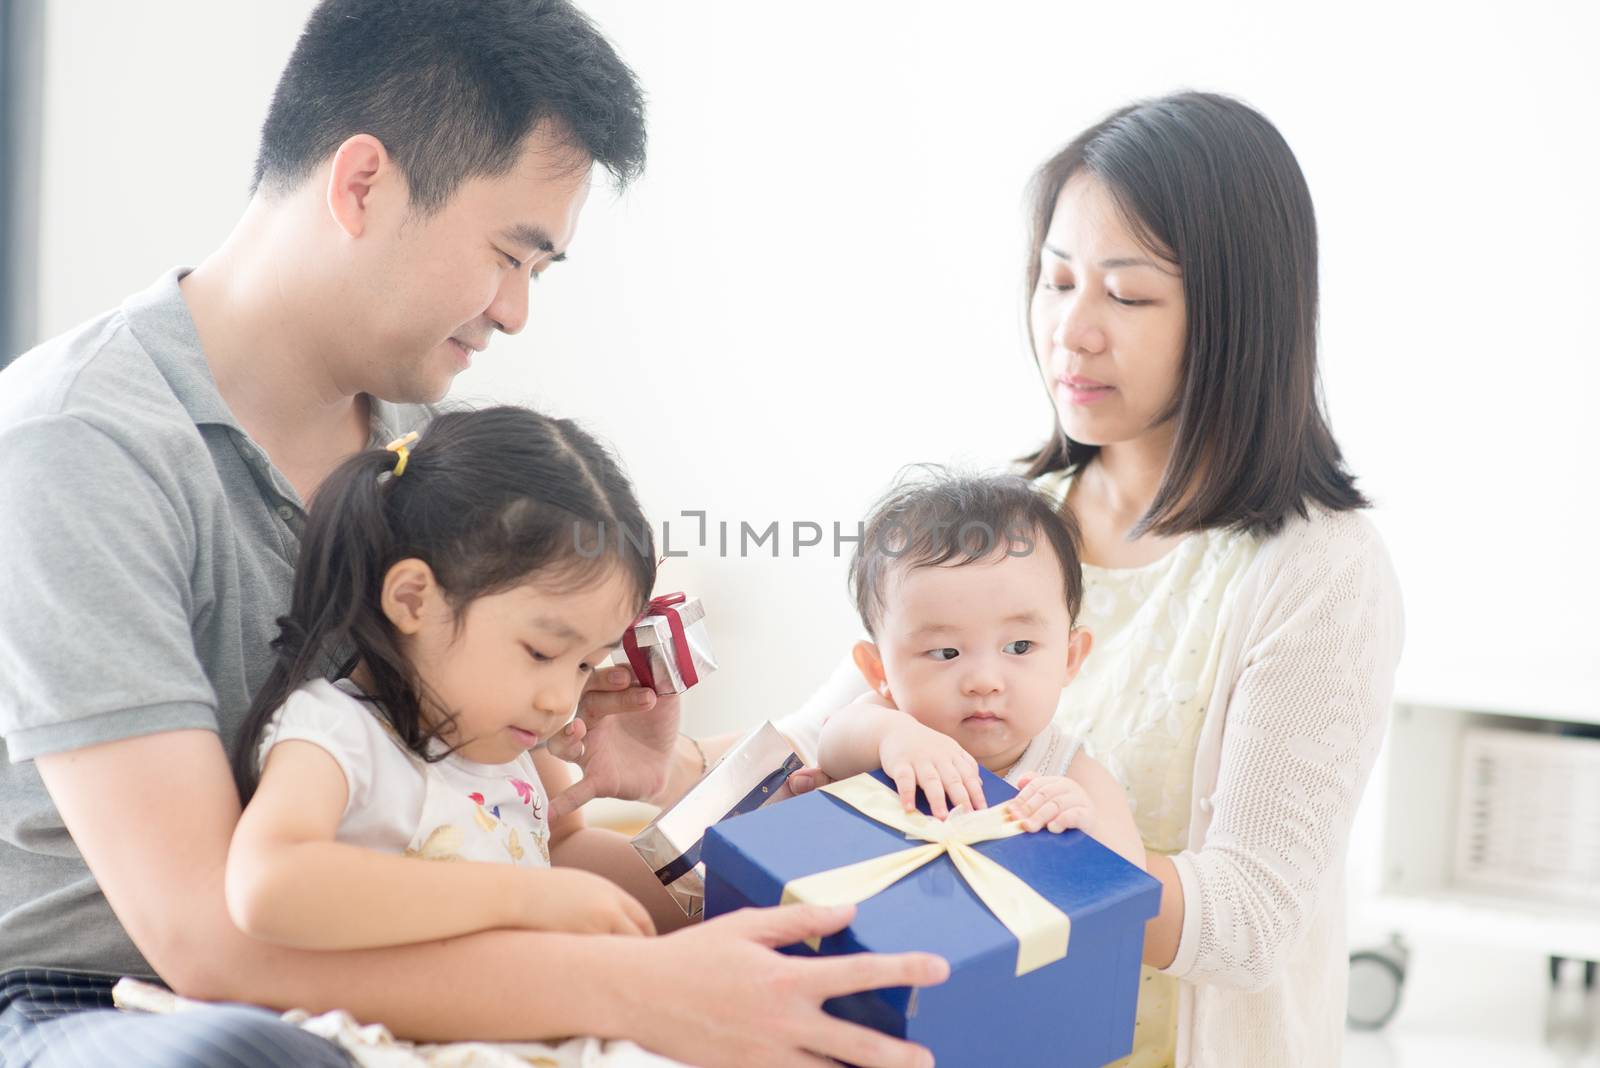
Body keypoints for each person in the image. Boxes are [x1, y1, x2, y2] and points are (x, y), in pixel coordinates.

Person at [0, 2, 945, 1066]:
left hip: (412, 961)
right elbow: (209, 939)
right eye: (510, 255)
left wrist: (609, 762)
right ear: (362, 185)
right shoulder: (79, 442)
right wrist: (628, 989)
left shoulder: (439, 463)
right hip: (112, 1002)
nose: (514, 313)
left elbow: (504, 832)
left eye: (538, 274)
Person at [667, 92, 1405, 1067]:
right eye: (1056, 283)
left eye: (1127, 295)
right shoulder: (1011, 521)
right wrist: (654, 778)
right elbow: (823, 731)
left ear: (1238, 312)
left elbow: (1247, 921)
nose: (1073, 331)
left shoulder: (1315, 570)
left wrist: (1057, 853)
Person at [227, 406, 683, 955]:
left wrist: (719, 892)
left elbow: (566, 849)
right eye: (541, 651)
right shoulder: (334, 733)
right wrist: (519, 897)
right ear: (413, 599)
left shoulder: (513, 744)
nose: (561, 701)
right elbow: (268, 885)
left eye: (585, 665)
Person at [812, 470, 1144, 869]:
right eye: (945, 652)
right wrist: (894, 737)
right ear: (878, 668)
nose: (984, 681)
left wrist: (1083, 824)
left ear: (1069, 658)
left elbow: (1132, 877)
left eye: (1019, 646)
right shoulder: (886, 723)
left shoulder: (1069, 771)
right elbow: (830, 747)